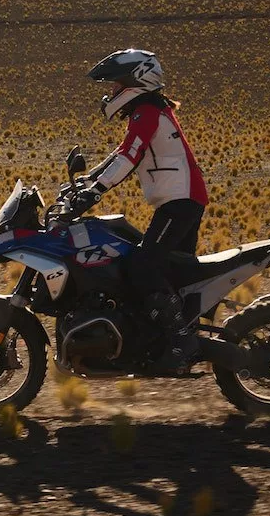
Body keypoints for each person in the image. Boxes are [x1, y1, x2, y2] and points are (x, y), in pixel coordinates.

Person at [67, 48, 209, 370]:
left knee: (142, 265)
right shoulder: (146, 112)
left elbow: (130, 155)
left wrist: (95, 192)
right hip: (181, 200)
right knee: (171, 275)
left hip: (181, 203)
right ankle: (164, 343)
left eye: (115, 85)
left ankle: (181, 342)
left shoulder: (147, 111)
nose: (111, 92)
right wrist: (89, 181)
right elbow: (122, 152)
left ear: (135, 82)